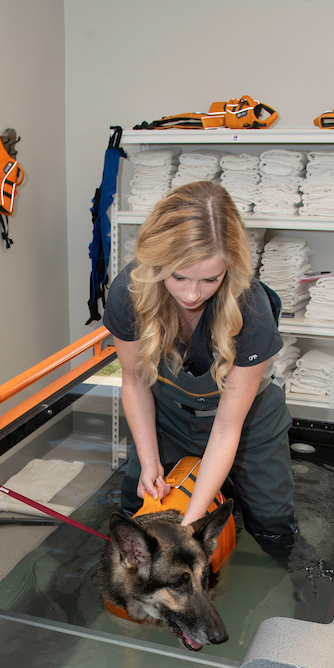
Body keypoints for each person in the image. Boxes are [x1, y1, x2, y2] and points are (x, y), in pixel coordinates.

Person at [103, 181, 296, 554]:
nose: (192, 294)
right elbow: (134, 380)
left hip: (247, 422)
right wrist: (149, 462)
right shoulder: (130, 290)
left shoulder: (251, 309)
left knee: (273, 526)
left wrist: (191, 529)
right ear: (157, 262)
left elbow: (227, 428)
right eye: (178, 277)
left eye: (210, 279)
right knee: (136, 508)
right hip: (168, 414)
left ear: (231, 269)